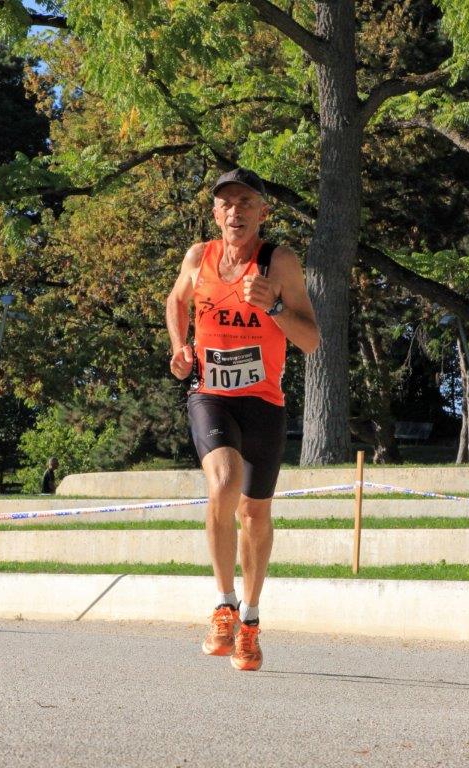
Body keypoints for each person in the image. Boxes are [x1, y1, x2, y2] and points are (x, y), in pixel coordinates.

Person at [166, 167, 320, 671]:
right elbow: (176, 300)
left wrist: (274, 306)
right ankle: (224, 606)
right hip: (210, 394)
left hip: (264, 402)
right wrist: (180, 347)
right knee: (224, 480)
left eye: (246, 203)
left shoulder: (280, 262)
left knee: (254, 514)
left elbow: (311, 340)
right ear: (215, 213)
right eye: (226, 203)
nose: (236, 211)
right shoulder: (198, 257)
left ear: (262, 212)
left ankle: (250, 621)